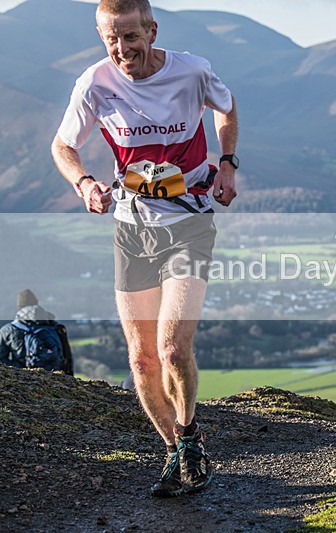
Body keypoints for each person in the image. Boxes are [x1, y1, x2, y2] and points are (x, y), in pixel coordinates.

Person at [51, 0, 238, 497]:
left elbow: (227, 106)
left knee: (173, 348)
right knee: (141, 360)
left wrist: (228, 163)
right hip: (132, 228)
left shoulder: (191, 71)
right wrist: (85, 184)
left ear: (152, 31)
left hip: (189, 222)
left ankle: (190, 433)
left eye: (130, 37)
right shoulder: (95, 82)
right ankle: (180, 450)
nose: (121, 49)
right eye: (111, 39)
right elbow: (62, 146)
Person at [0, 289, 72, 374]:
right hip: (56, 376)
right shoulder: (54, 326)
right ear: (36, 303)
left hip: (25, 377)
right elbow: (66, 357)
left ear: (19, 307)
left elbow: (1, 360)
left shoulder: (8, 330)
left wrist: (20, 370)